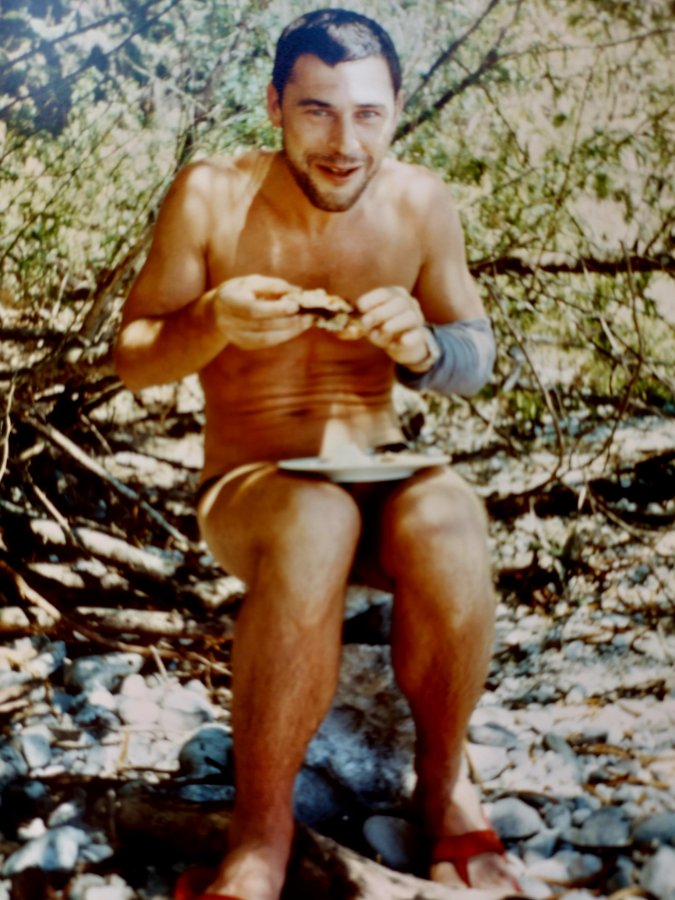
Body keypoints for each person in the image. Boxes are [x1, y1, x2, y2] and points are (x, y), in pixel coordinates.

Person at [115, 9, 520, 899]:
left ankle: (444, 787)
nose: (344, 143)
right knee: (314, 516)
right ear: (273, 105)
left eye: (367, 114)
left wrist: (423, 348)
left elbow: (475, 357)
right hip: (252, 485)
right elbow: (134, 358)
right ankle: (259, 836)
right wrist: (210, 320)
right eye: (317, 111)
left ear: (396, 110)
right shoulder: (210, 195)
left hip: (380, 473)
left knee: (451, 512)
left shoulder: (420, 201)